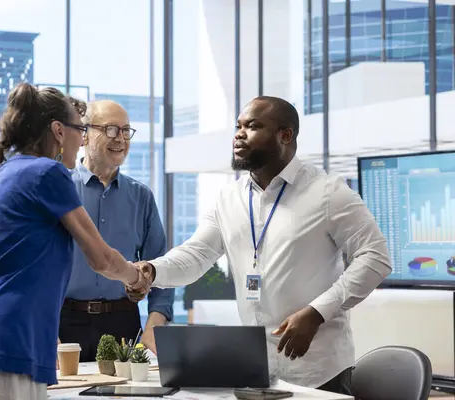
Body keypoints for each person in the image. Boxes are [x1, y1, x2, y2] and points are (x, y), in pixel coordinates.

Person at [128, 96, 391, 395]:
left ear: (285, 135)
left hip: (319, 369)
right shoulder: (229, 198)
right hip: (256, 370)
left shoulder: (328, 193)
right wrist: (152, 270)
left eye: (252, 126)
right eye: (238, 126)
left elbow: (375, 257)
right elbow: (196, 255)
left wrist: (317, 312)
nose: (239, 134)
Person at [0, 83, 147, 400]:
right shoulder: (48, 173)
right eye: (80, 129)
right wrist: (134, 278)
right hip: (6, 350)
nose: (82, 139)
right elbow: (101, 258)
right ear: (59, 131)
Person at [58, 100, 174, 360]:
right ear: (84, 134)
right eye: (110, 129)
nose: (120, 139)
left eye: (125, 131)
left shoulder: (141, 196)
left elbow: (162, 269)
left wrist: (153, 329)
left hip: (124, 323)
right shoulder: (60, 189)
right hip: (65, 324)